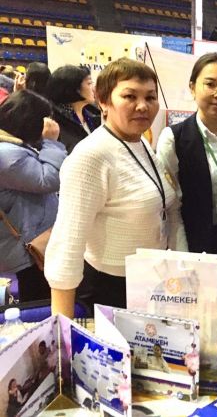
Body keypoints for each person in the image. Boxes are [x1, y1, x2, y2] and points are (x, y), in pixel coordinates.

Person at [45, 58, 187, 317]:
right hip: (108, 289)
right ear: (103, 101)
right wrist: (62, 330)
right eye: (129, 96)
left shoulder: (139, 144)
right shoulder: (91, 157)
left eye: (150, 97)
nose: (142, 106)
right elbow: (67, 246)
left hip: (147, 281)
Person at [156, 54, 217, 286]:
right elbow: (171, 207)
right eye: (210, 84)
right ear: (192, 87)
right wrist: (185, 260)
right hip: (191, 245)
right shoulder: (174, 138)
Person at [0, 90, 67, 301]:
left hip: (30, 237)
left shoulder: (11, 145)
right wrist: (52, 142)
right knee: (38, 297)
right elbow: (50, 179)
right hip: (26, 246)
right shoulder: (7, 155)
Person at [46, 65, 101, 153]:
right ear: (75, 89)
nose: (93, 88)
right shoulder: (54, 123)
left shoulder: (94, 115)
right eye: (89, 83)